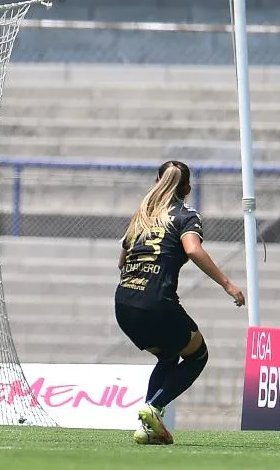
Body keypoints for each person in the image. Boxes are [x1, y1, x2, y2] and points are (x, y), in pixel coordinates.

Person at [115, 160, 245, 445]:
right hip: (156, 302)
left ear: (157, 181)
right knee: (198, 355)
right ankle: (153, 408)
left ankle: (147, 428)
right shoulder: (186, 216)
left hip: (124, 302)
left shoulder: (142, 215)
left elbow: (122, 259)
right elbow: (192, 249)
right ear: (187, 188)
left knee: (168, 355)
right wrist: (227, 284)